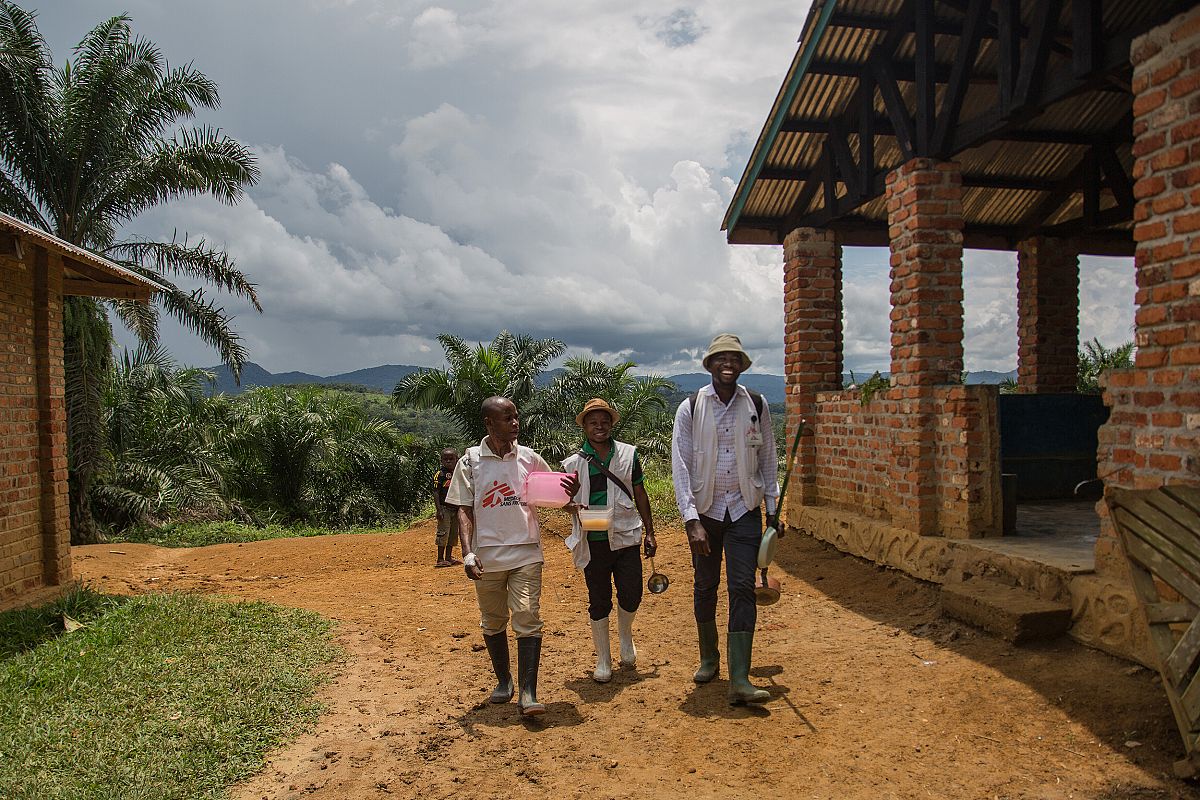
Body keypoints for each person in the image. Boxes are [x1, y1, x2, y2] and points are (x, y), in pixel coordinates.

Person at [446, 396, 578, 717]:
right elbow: (463, 511)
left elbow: (554, 493)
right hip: (487, 556)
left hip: (526, 552)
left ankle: (528, 693)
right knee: (493, 620)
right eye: (508, 418)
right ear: (489, 424)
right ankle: (504, 681)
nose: (515, 423)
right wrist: (467, 553)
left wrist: (571, 495)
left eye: (516, 417)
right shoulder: (470, 463)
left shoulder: (529, 458)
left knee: (527, 616)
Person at [671, 333, 780, 706]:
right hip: (706, 511)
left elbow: (767, 459)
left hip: (744, 508)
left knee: (742, 588)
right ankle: (709, 658)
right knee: (705, 586)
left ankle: (739, 678)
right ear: (710, 365)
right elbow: (681, 467)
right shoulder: (690, 407)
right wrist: (690, 520)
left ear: (742, 364)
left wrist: (773, 508)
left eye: (734, 358)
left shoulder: (757, 404)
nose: (727, 364)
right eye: (720, 359)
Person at [561, 398, 657, 683]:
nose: (599, 427)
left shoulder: (629, 455)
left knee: (632, 593)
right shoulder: (573, 462)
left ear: (611, 424)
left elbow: (640, 493)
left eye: (604, 422)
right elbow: (562, 501)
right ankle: (603, 658)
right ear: (585, 427)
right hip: (593, 538)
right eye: (593, 423)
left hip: (626, 533)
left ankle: (625, 636)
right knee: (599, 599)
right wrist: (572, 499)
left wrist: (650, 532)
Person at [433, 447, 462, 567]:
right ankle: (440, 559)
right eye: (446, 459)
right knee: (443, 532)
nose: (449, 461)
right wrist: (438, 509)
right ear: (441, 461)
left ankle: (449, 557)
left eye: (451, 459)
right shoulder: (440, 474)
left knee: (453, 534)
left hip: (456, 508)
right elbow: (436, 492)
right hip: (444, 508)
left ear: (457, 459)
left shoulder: (459, 473)